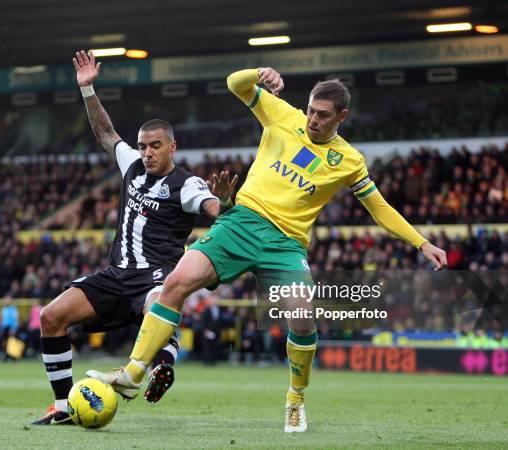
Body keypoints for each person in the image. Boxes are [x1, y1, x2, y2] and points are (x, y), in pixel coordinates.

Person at [97, 67, 448, 433]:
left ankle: (295, 399)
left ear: (341, 116)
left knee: (302, 316)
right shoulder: (282, 114)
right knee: (176, 281)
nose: (313, 119)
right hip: (241, 223)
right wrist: (259, 72)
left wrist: (421, 243)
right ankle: (134, 372)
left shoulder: (349, 161)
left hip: (285, 243)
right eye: (311, 109)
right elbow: (234, 83)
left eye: (323, 114)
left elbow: (379, 208)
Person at [31, 50, 238, 425]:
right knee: (51, 316)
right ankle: (63, 408)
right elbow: (105, 133)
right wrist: (88, 90)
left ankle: (163, 366)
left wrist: (222, 200)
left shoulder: (186, 183)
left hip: (157, 276)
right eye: (142, 146)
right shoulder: (131, 166)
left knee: (157, 308)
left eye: (155, 145)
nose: (146, 152)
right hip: (115, 275)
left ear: (172, 146)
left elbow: (215, 211)